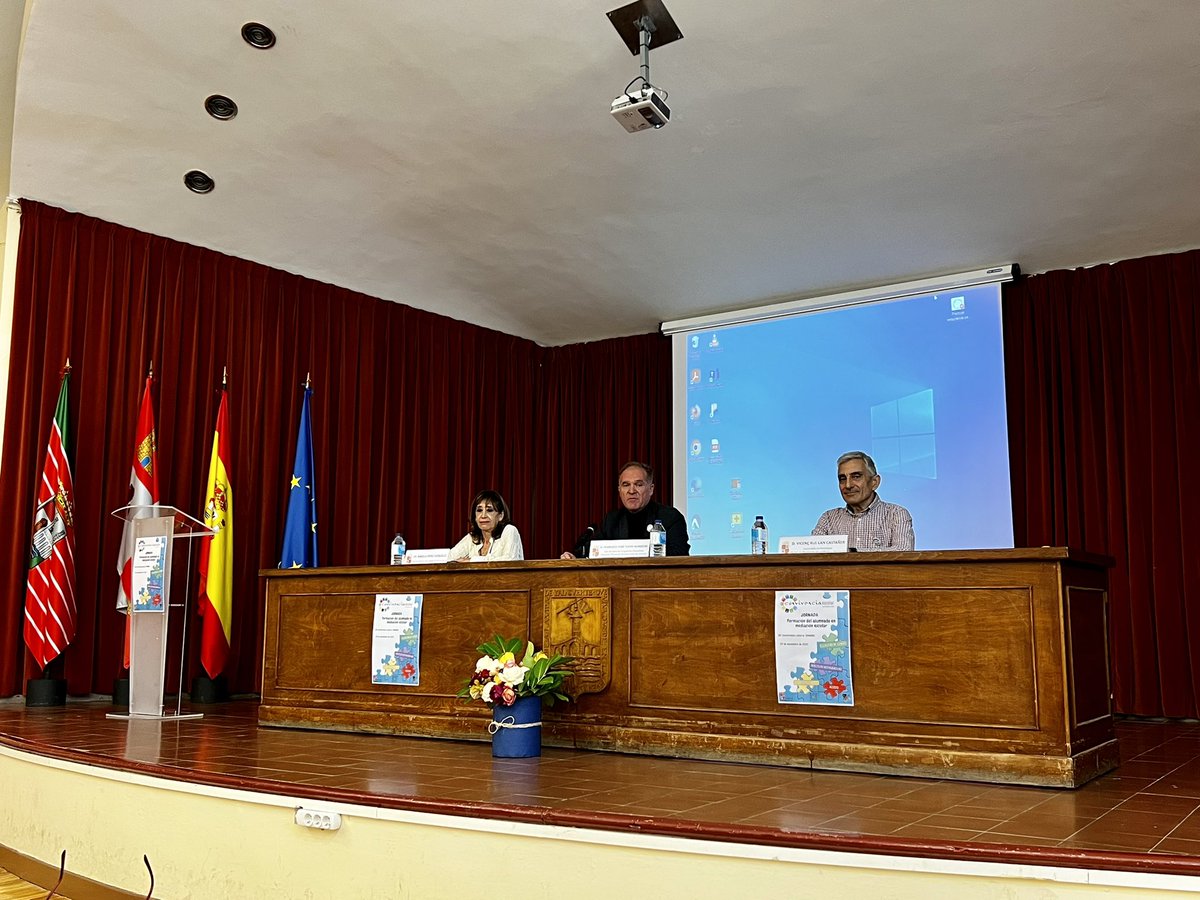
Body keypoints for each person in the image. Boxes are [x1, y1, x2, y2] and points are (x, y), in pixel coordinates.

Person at [561, 461, 690, 558]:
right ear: (619, 490)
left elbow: (680, 555)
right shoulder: (611, 520)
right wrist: (575, 557)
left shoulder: (670, 517)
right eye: (626, 485)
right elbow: (593, 550)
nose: (631, 491)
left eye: (638, 484)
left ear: (651, 489)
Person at [811, 451, 914, 551]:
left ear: (874, 482)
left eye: (856, 477)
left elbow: (903, 551)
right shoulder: (828, 519)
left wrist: (852, 553)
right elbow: (810, 555)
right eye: (842, 479)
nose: (848, 485)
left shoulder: (896, 514)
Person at [448, 490, 524, 561]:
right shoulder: (472, 538)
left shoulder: (509, 530)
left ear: (501, 515)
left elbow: (510, 560)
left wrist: (472, 560)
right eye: (479, 510)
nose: (483, 515)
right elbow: (449, 558)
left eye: (489, 510)